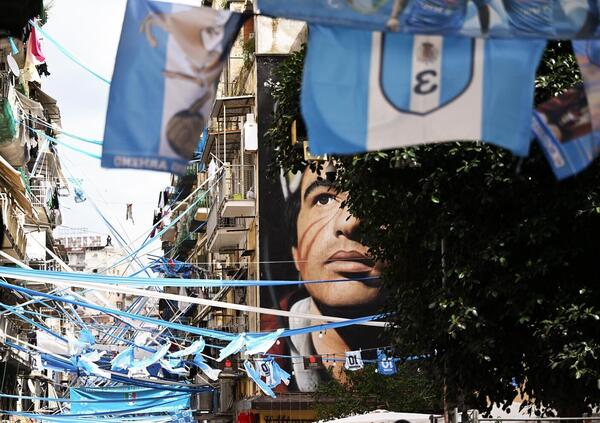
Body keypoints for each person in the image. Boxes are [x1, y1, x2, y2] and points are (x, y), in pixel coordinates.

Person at [263, 164, 386, 392]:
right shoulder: (267, 348)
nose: (350, 222)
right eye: (324, 199)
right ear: (296, 250)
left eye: (378, 197)